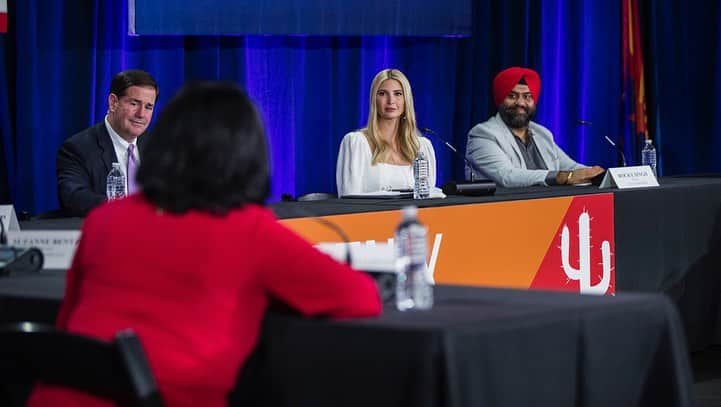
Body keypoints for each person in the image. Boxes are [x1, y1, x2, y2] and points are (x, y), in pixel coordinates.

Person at [29, 82, 382, 407]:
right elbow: (361, 297)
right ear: (248, 156)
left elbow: (66, 323)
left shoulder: (106, 220)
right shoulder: (251, 232)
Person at [465, 67, 604, 187]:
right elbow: (507, 176)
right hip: (502, 213)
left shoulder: (542, 133)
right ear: (500, 99)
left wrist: (598, 174)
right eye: (512, 96)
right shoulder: (482, 134)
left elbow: (569, 167)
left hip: (547, 210)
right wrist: (562, 177)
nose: (520, 103)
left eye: (527, 97)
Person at [56, 69, 158, 217]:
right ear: (113, 103)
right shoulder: (77, 148)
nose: (141, 114)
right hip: (107, 235)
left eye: (148, 107)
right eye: (134, 103)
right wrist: (127, 209)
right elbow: (73, 198)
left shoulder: (158, 147)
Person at [336, 69, 438, 196]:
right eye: (383, 93)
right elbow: (349, 200)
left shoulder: (422, 147)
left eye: (398, 94)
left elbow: (429, 199)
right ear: (374, 100)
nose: (391, 101)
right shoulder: (356, 143)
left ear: (406, 100)